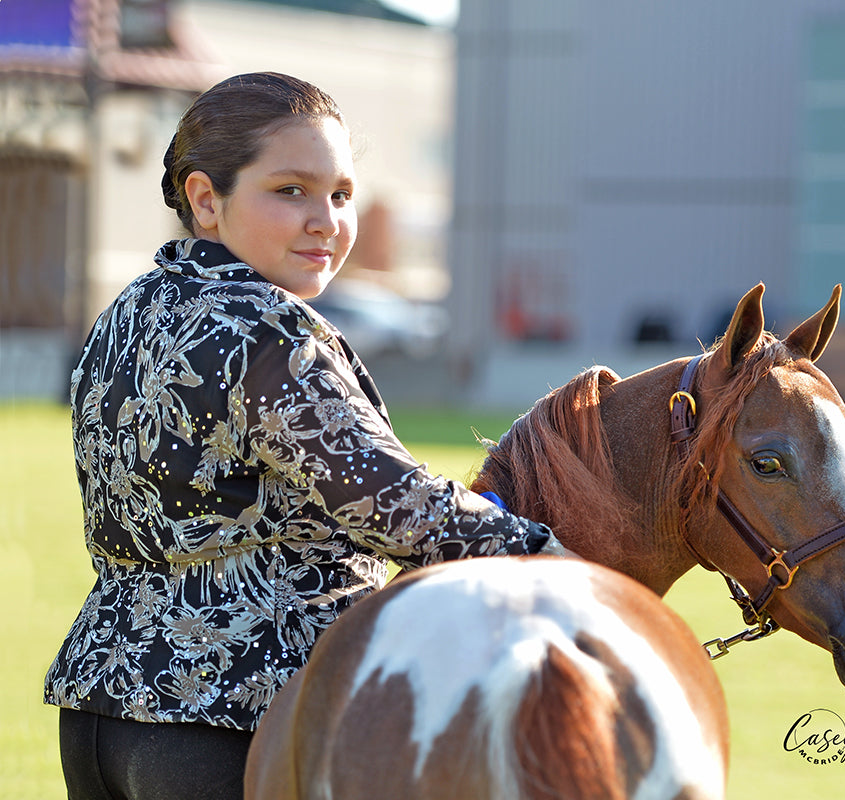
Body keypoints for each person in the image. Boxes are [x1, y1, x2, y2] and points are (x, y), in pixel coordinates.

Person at [44, 72, 564, 800]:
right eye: (290, 190)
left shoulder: (128, 312)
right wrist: (550, 553)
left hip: (101, 714)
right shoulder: (269, 330)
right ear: (204, 199)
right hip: (239, 720)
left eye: (341, 194)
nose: (327, 220)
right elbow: (394, 508)